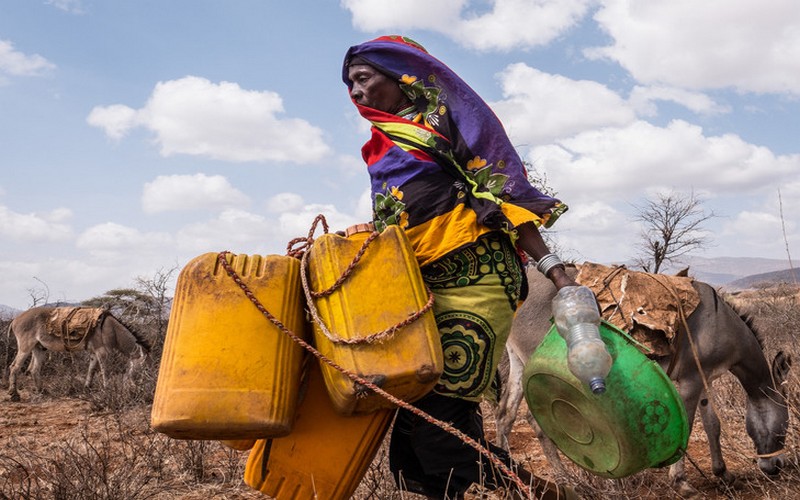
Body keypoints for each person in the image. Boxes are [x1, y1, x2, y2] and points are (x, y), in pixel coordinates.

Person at [343, 35, 579, 499]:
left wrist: (555, 270)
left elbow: (503, 192)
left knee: (438, 429)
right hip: (417, 291)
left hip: (479, 279)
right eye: (348, 84)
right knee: (414, 447)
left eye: (363, 78)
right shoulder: (378, 148)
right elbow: (402, 219)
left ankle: (546, 496)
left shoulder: (449, 126)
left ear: (402, 75)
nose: (354, 92)